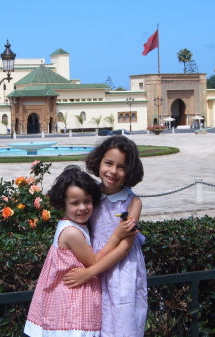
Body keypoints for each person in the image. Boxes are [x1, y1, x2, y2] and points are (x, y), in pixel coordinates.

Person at [24, 165, 137, 337]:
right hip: (71, 305)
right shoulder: (72, 232)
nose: (82, 208)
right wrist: (116, 236)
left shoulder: (78, 225)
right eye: (75, 203)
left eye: (87, 201)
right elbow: (92, 261)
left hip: (70, 299)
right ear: (63, 204)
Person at [63, 135, 147, 336]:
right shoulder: (90, 195)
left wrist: (89, 272)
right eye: (108, 163)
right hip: (91, 261)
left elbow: (125, 247)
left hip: (121, 271)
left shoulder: (132, 202)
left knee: (121, 323)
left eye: (122, 167)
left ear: (130, 171)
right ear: (99, 161)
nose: (113, 171)